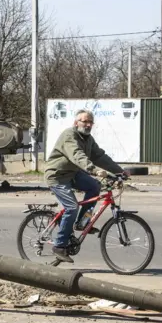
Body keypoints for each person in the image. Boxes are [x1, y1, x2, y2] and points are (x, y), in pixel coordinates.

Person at [43, 109, 128, 263]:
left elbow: (100, 156)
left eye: (90, 122)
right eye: (84, 121)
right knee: (71, 207)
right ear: (76, 123)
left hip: (73, 174)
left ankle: (82, 223)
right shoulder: (69, 135)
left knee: (94, 187)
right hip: (57, 175)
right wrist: (94, 170)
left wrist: (120, 171)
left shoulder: (88, 139)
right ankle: (59, 246)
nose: (88, 124)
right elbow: (77, 155)